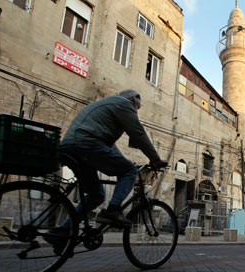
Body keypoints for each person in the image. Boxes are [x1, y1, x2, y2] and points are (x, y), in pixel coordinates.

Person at [59, 89, 167, 226]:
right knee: (130, 171)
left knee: (96, 196)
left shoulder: (108, 106)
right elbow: (138, 133)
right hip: (87, 144)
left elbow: (109, 146)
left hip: (72, 147)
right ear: (133, 100)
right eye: (136, 108)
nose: (135, 112)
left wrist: (125, 161)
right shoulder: (123, 104)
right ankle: (113, 210)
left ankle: (64, 230)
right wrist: (155, 159)